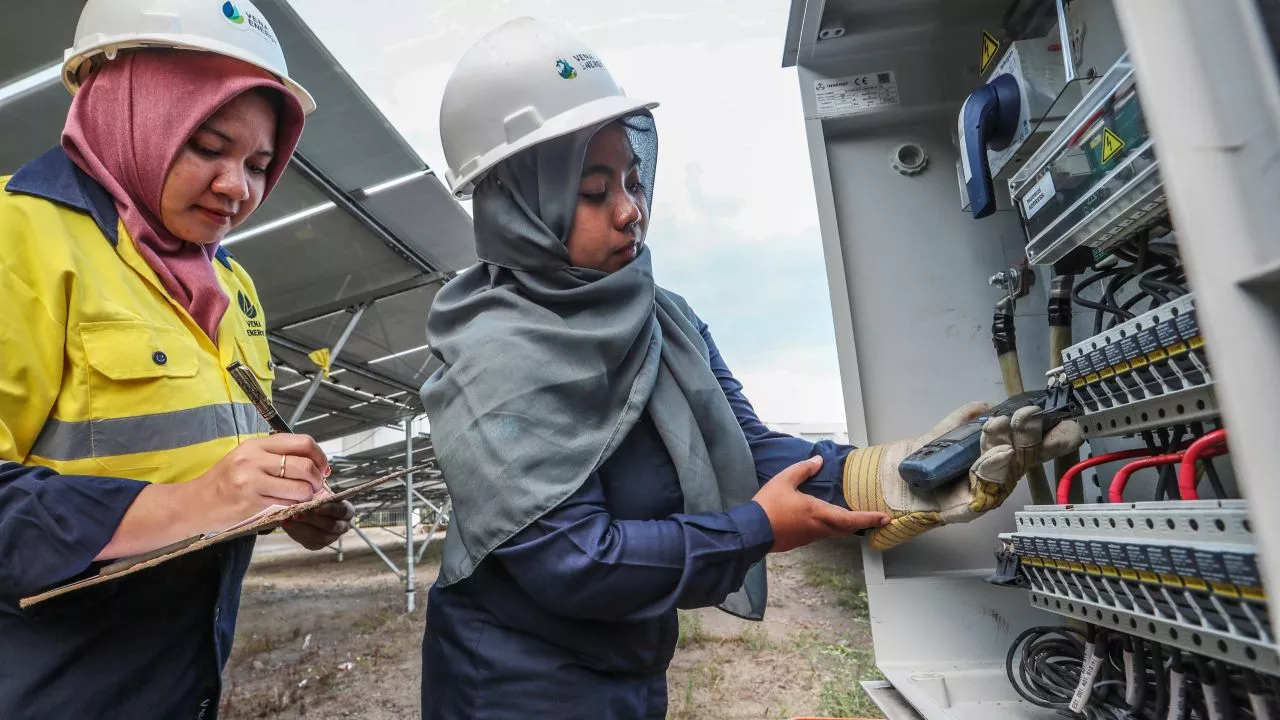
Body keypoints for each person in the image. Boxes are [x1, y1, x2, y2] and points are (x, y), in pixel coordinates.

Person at [418, 17, 1085, 720]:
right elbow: (575, 561)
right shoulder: (494, 352)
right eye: (592, 191)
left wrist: (905, 476)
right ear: (521, 205)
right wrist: (756, 529)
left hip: (626, 665)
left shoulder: (659, 315)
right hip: (510, 687)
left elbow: (752, 449)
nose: (629, 211)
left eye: (633, 180)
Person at [0, 1, 355, 716]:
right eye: (205, 146)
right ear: (129, 109)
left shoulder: (229, 283)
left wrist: (275, 503)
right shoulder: (19, 238)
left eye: (259, 164)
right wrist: (189, 504)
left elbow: (212, 447)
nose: (237, 188)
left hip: (181, 670)